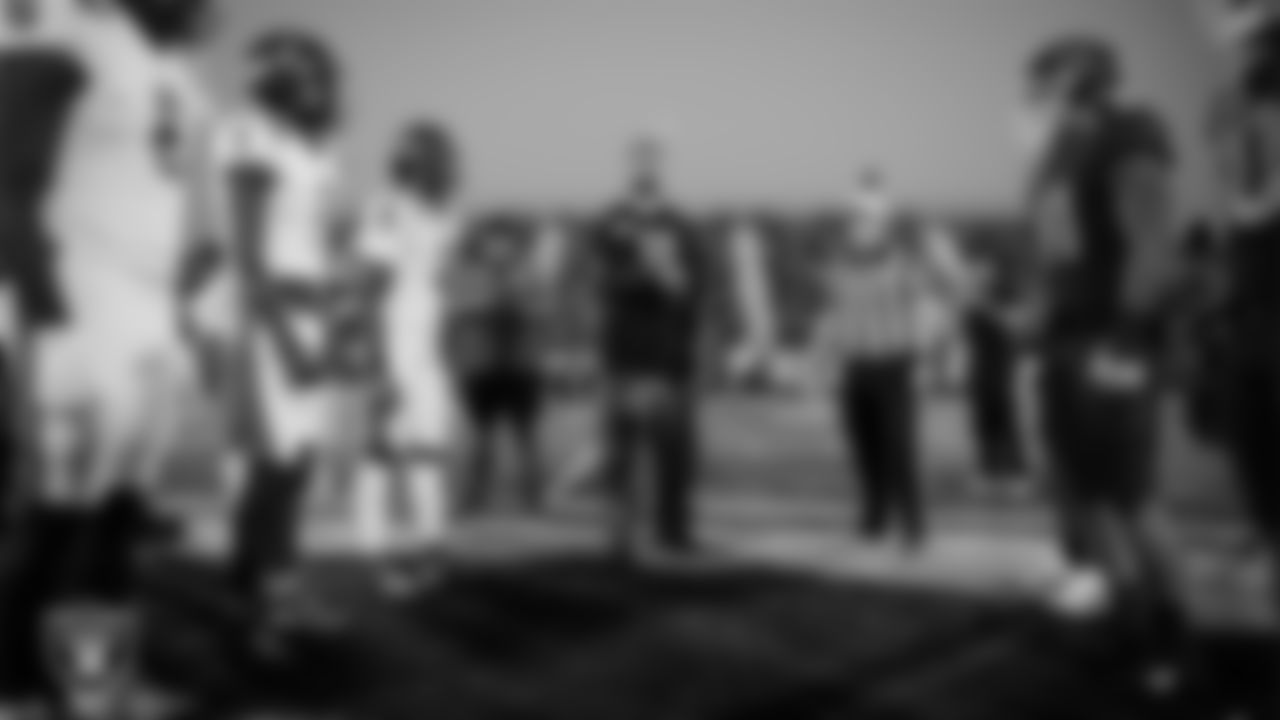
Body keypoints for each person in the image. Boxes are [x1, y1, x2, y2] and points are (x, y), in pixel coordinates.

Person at [0, 0, 216, 712]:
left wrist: (181, 312)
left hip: (148, 320)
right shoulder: (69, 41)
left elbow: (181, 215)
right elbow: (6, 180)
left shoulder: (182, 75)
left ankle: (98, 686)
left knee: (120, 515)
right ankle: (31, 686)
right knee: (66, 517)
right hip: (80, 307)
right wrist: (48, 316)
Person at [1014, 34, 1185, 688]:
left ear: (1079, 83)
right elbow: (1054, 253)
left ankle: (1175, 644)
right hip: (1066, 341)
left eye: (1040, 82)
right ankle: (1130, 624)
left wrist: (1127, 337)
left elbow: (1154, 244)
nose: (1028, 96)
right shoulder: (1059, 154)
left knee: (1134, 500)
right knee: (1086, 501)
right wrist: (1034, 313)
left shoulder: (1129, 139)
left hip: (1112, 343)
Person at [185, 26, 349, 639]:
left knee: (295, 464)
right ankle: (275, 602)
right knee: (279, 466)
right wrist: (287, 340)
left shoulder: (310, 146)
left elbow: (313, 244)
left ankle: (246, 582)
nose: (313, 83)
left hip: (306, 311)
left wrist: (332, 318)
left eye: (317, 71)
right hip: (267, 319)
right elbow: (250, 255)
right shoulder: (249, 132)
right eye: (298, 71)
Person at [813, 169, 968, 549]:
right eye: (856, 218)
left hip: (895, 365)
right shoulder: (840, 264)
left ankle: (913, 526)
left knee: (899, 448)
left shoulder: (902, 262)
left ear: (882, 223)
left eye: (868, 219)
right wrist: (825, 361)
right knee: (864, 448)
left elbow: (943, 297)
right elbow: (833, 316)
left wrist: (933, 357)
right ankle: (873, 518)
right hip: (856, 366)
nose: (860, 226)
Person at [346, 119, 465, 591]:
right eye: (406, 152)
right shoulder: (385, 206)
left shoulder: (445, 211)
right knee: (381, 446)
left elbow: (438, 283)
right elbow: (371, 289)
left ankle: (430, 544)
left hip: (427, 343)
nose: (409, 158)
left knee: (429, 447)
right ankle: (372, 552)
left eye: (419, 151)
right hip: (393, 340)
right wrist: (378, 366)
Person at [1199, 0, 1280, 680]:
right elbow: (1237, 206)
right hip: (1252, 304)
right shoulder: (1229, 96)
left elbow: (1255, 200)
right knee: (1256, 459)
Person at [589, 134, 709, 563]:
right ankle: (619, 537)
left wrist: (668, 269)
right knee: (621, 454)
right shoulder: (608, 223)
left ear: (661, 166)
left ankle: (673, 532)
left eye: (652, 159)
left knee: (675, 454)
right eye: (638, 159)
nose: (645, 167)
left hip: (671, 355)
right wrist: (644, 263)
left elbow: (694, 290)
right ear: (629, 165)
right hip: (622, 353)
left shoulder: (683, 225)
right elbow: (604, 283)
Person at [450, 221, 547, 515]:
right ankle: (475, 496)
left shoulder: (528, 274)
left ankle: (532, 496)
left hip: (521, 367)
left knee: (526, 437)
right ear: (482, 246)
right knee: (481, 436)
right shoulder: (470, 275)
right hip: (483, 367)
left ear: (515, 246)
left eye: (504, 242)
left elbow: (538, 310)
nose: (498, 249)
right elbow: (462, 309)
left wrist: (509, 296)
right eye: (492, 242)